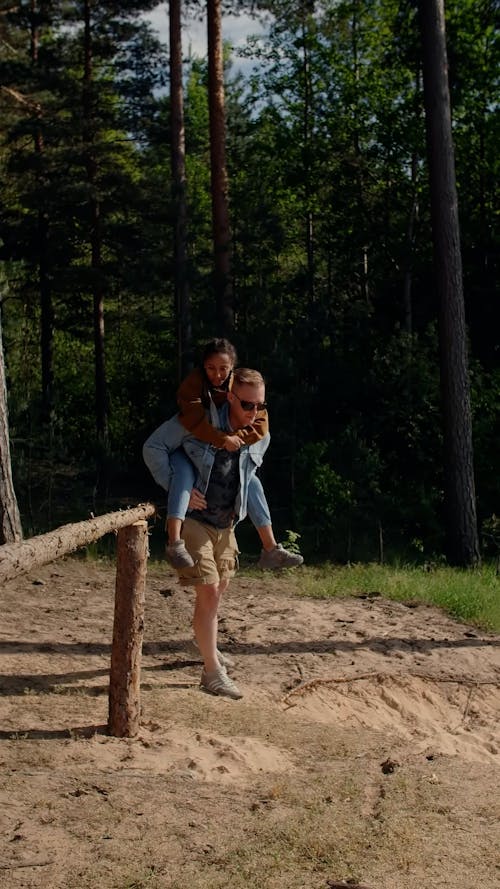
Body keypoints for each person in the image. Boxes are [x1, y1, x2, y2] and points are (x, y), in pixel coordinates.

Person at [145, 368, 275, 699]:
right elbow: (154, 447)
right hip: (195, 520)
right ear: (230, 396)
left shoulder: (258, 430)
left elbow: (250, 476)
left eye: (260, 406)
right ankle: (212, 673)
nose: (254, 413)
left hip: (226, 523)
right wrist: (176, 488)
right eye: (247, 405)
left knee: (217, 594)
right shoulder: (198, 419)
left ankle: (205, 646)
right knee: (210, 590)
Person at [143, 338, 303, 572]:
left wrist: (242, 436)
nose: (217, 375)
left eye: (223, 369)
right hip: (185, 453)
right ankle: (174, 541)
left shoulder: (247, 402)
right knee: (183, 473)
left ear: (232, 371)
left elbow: (259, 429)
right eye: (211, 368)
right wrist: (176, 485)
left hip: (223, 522)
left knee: (252, 480)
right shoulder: (196, 393)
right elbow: (173, 432)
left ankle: (271, 548)